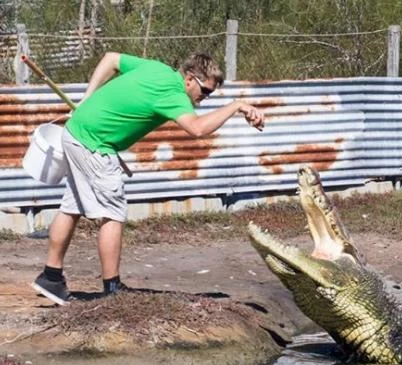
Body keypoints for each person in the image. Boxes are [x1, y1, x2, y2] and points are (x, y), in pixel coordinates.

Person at [31, 51, 264, 305]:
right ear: (189, 79)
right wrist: (236, 106)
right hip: (96, 145)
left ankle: (51, 277)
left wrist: (87, 97)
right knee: (113, 213)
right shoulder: (174, 95)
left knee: (73, 206)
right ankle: (112, 290)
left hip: (75, 131)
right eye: (205, 91)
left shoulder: (157, 69)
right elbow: (197, 129)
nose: (204, 98)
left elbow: (111, 59)